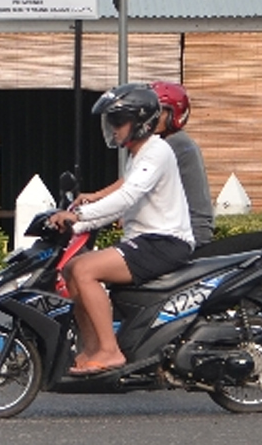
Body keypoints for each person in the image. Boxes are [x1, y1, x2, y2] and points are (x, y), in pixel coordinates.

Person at [47, 83, 193, 376]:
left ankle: (111, 352)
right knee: (70, 269)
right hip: (145, 240)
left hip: (165, 241)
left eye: (118, 121)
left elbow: (126, 198)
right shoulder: (138, 155)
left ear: (140, 123)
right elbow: (122, 198)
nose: (113, 128)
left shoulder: (157, 151)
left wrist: (79, 217)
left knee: (85, 270)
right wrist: (79, 223)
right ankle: (92, 350)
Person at [151, 81, 213, 246]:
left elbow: (133, 188)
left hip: (190, 234)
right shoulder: (166, 142)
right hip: (176, 231)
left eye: (160, 112)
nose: (152, 118)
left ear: (176, 113)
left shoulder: (175, 144)